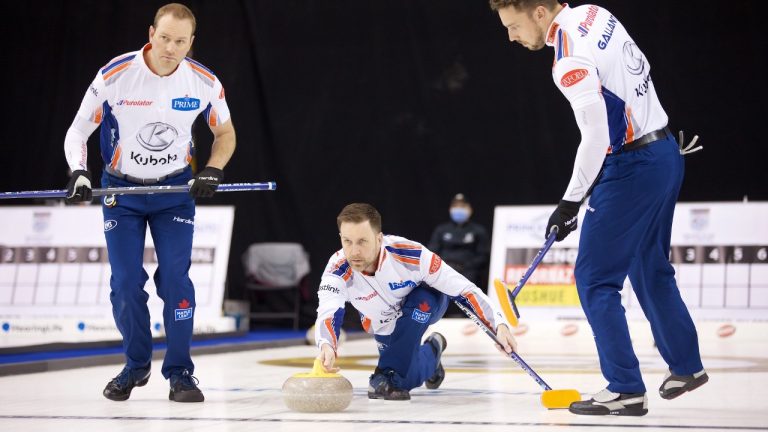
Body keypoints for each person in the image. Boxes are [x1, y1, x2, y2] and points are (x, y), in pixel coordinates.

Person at [489, 0, 707, 416]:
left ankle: (624, 387)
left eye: (513, 26)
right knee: (649, 266)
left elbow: (595, 137)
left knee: (594, 279)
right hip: (664, 152)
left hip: (632, 166)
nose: (511, 38)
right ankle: (686, 364)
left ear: (539, 12)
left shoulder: (567, 55)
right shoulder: (594, 13)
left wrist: (570, 200)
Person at [63, 3, 236, 403]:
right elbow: (77, 131)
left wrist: (212, 169)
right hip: (121, 193)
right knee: (125, 284)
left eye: (180, 41)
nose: (170, 48)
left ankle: (180, 373)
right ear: (151, 33)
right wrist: (79, 171)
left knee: (176, 281)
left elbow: (224, 134)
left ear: (191, 43)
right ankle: (135, 365)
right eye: (164, 38)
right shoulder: (116, 74)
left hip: (174, 193)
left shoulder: (204, 82)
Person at [315, 203, 517, 400]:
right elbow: (328, 310)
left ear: (378, 239)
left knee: (393, 368)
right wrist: (327, 346)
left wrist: (498, 325)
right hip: (384, 323)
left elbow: (464, 290)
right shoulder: (337, 269)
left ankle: (385, 373)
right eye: (347, 241)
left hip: (428, 302)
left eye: (362, 241)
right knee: (404, 378)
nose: (354, 251)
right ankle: (433, 351)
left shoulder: (411, 254)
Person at [428, 193, 490, 288]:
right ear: (450, 209)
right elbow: (432, 252)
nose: (459, 209)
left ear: (470, 209)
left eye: (462, 206)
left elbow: (483, 256)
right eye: (455, 206)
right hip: (444, 270)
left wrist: (466, 266)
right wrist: (444, 267)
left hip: (468, 272)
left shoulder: (478, 231)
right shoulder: (441, 230)